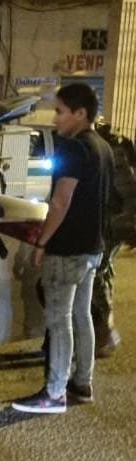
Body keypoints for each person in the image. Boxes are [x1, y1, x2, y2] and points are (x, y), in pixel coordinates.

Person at [12, 83, 112, 414]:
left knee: (59, 319)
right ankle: (82, 384)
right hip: (92, 248)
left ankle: (54, 393)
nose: (55, 118)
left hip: (68, 249)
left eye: (60, 111)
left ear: (80, 114)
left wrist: (42, 242)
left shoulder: (74, 148)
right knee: (81, 315)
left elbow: (60, 200)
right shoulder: (103, 147)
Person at [90, 119, 136, 357]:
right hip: (112, 222)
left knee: (97, 271)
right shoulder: (112, 146)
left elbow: (125, 191)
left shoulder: (112, 150)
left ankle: (106, 332)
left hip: (112, 224)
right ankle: (102, 330)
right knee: (103, 270)